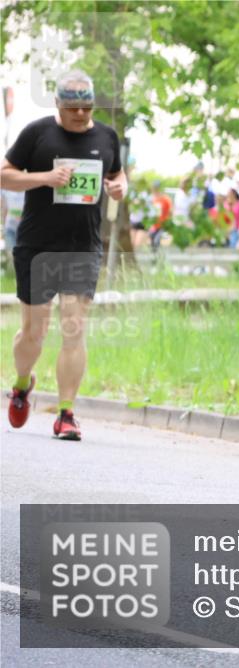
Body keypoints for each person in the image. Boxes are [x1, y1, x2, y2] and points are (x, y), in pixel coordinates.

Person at [2, 70, 126, 441]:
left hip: (83, 247)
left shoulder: (106, 136)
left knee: (74, 328)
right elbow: (5, 175)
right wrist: (45, 178)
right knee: (33, 334)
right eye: (73, 109)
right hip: (37, 247)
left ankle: (66, 413)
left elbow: (119, 174)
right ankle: (23, 383)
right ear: (57, 104)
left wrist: (120, 186)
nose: (81, 116)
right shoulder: (37, 134)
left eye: (87, 108)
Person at [149, 180, 172, 250]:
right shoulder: (152, 198)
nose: (154, 189)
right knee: (152, 241)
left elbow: (171, 211)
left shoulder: (165, 199)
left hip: (163, 225)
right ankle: (155, 257)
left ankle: (158, 257)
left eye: (156, 188)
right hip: (154, 225)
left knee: (157, 241)